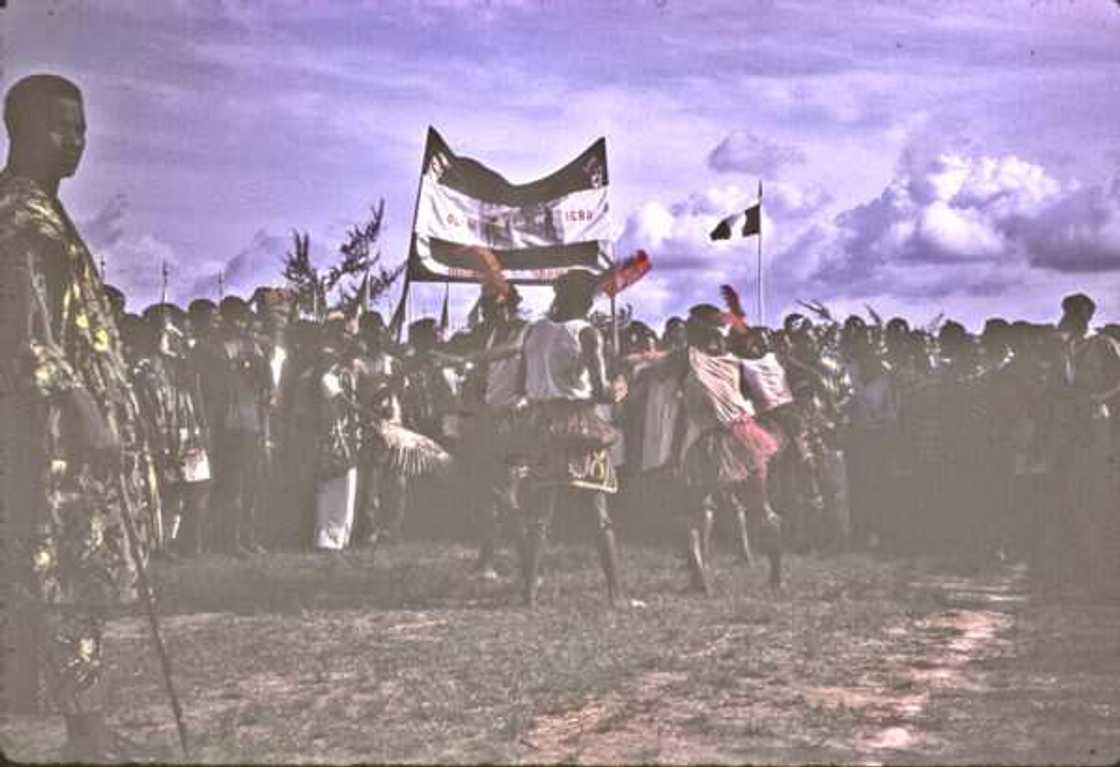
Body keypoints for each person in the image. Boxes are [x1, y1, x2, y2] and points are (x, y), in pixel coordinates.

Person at [0, 74, 160, 760]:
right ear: (19, 130)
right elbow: (25, 336)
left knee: (65, 580)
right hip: (49, 438)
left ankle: (84, 729)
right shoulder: (20, 221)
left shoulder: (47, 215)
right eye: (60, 128)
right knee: (64, 580)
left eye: (83, 127)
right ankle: (86, 736)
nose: (76, 141)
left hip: (63, 437)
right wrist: (87, 409)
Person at [515, 269, 627, 607]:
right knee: (599, 514)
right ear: (585, 299)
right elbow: (603, 392)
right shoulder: (588, 333)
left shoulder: (533, 331)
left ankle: (528, 593)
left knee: (539, 515)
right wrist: (621, 384)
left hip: (541, 424)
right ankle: (616, 594)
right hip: (579, 426)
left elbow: (523, 385)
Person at [213, 296, 272, 555]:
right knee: (232, 485)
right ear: (224, 318)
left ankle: (248, 536)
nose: (239, 322)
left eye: (242, 317)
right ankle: (230, 540)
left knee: (252, 484)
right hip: (227, 422)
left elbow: (265, 379)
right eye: (234, 317)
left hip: (252, 421)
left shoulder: (253, 345)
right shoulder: (215, 346)